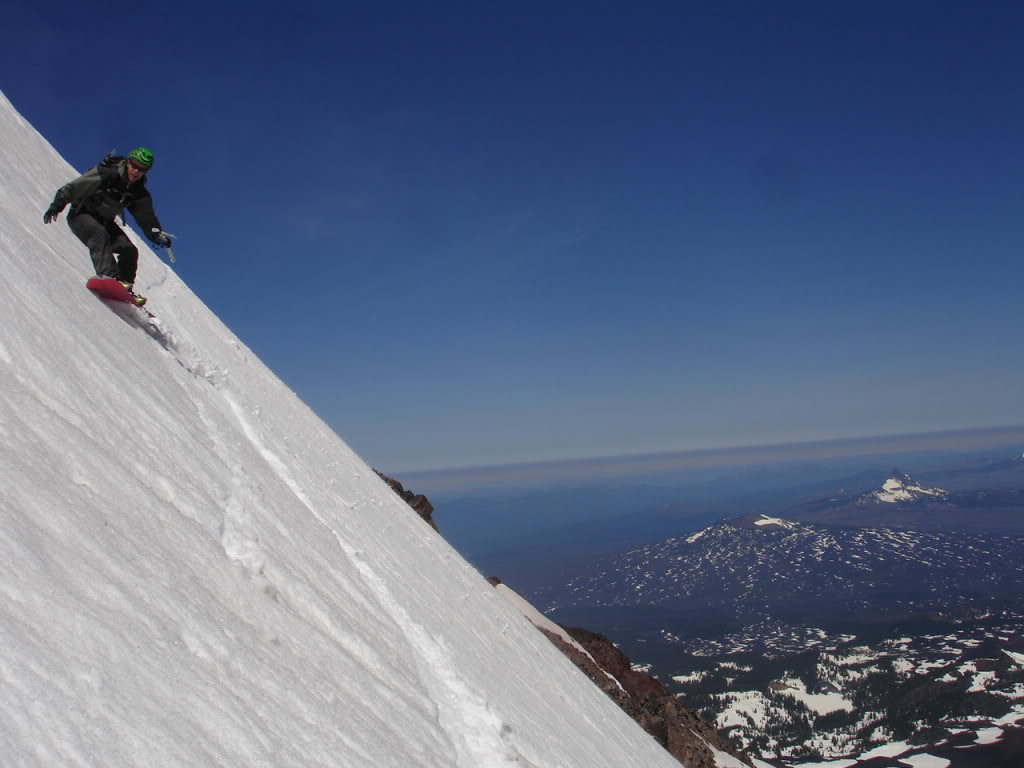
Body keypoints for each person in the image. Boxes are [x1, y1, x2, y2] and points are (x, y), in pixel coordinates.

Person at [44, 147, 171, 306]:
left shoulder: (138, 193)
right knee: (99, 235)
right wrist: (57, 204)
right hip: (81, 215)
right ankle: (109, 277)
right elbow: (77, 186)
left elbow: (146, 217)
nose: (137, 171)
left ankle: (125, 287)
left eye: (142, 169)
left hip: (104, 221)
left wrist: (156, 234)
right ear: (128, 162)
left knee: (129, 250)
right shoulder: (108, 174)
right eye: (135, 165)